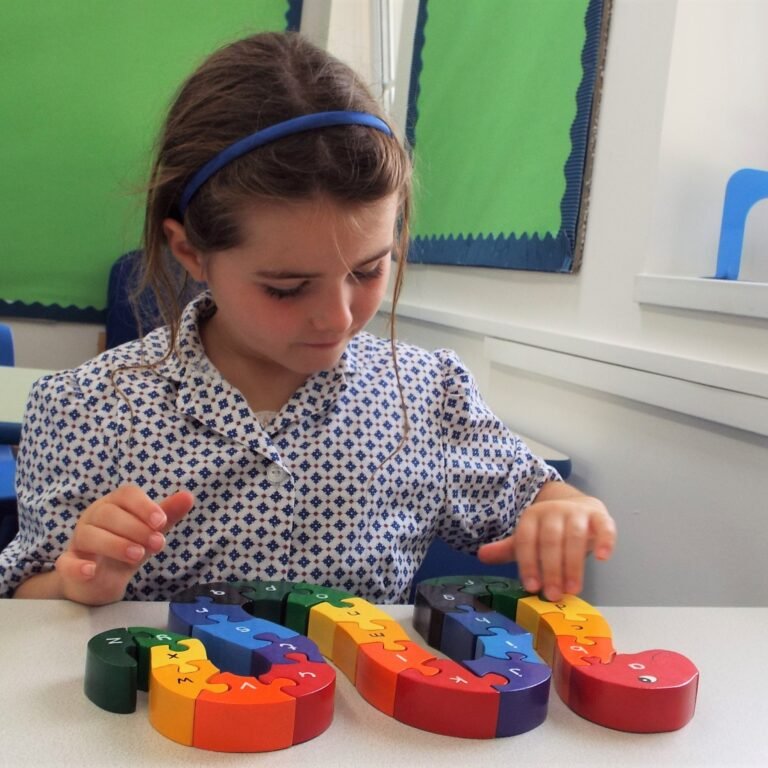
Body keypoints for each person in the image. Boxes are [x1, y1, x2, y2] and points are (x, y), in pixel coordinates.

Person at [1, 32, 615, 606]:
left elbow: (532, 492)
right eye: (286, 288)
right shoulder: (87, 407)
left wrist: (561, 507)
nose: (338, 317)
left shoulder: (426, 395)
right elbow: (25, 592)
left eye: (369, 270)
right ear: (191, 252)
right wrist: (78, 581)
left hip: (354, 720)